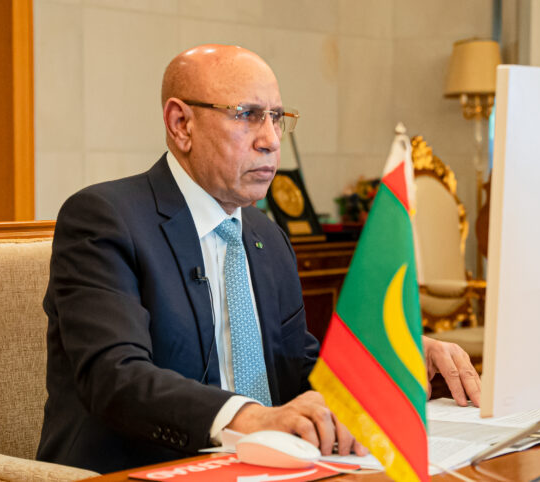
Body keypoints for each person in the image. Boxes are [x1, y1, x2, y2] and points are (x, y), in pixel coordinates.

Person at [36, 44, 480, 474]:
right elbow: (116, 378)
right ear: (181, 123)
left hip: (269, 467)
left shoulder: (266, 235)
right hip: (144, 468)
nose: (270, 141)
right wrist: (251, 418)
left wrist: (388, 362)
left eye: (277, 118)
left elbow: (296, 368)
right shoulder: (105, 218)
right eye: (247, 115)